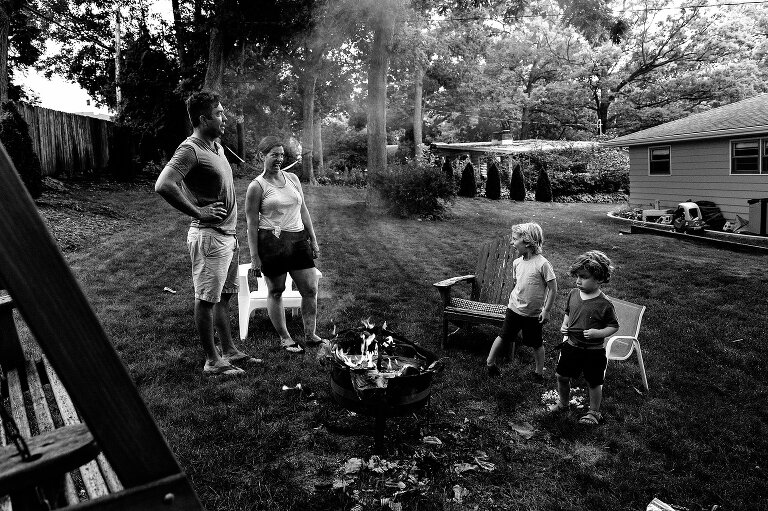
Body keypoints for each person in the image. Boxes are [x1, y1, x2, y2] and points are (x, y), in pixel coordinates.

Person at [155, 90, 259, 376]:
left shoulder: (217, 147)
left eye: (223, 112)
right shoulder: (190, 149)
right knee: (206, 299)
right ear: (202, 119)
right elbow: (164, 184)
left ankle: (230, 351)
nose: (224, 118)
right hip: (209, 235)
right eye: (218, 114)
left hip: (227, 235)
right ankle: (212, 360)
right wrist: (198, 212)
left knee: (224, 297)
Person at [245, 135, 324, 353]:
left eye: (281, 154)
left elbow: (303, 210)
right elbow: (251, 224)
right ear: (262, 156)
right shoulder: (257, 186)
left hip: (298, 239)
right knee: (277, 290)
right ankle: (285, 337)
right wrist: (254, 257)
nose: (279, 158)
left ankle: (311, 334)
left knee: (309, 288)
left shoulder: (293, 179)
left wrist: (313, 239)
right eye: (274, 155)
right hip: (272, 242)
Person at [550, 250, 619, 425]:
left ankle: (594, 412)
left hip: (593, 352)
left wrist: (599, 333)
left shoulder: (605, 304)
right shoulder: (574, 294)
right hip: (571, 346)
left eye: (584, 277)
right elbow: (568, 312)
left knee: (593, 382)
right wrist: (564, 325)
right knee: (562, 376)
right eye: (577, 276)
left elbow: (613, 326)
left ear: (599, 278)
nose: (578, 281)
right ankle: (563, 403)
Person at [485, 222, 557, 380]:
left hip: (533, 314)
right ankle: (490, 363)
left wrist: (546, 310)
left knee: (536, 343)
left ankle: (538, 373)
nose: (512, 242)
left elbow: (553, 289)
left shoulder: (543, 264)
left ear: (527, 241)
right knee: (503, 336)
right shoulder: (517, 262)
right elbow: (519, 284)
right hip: (514, 309)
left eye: (515, 239)